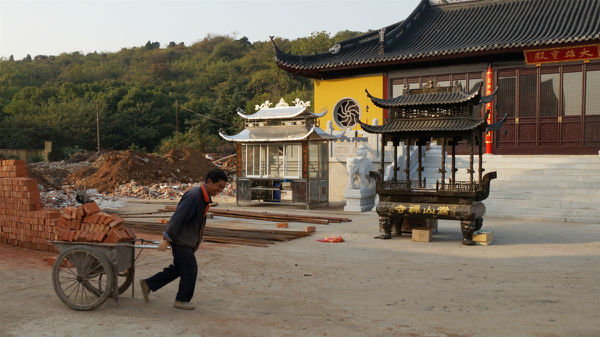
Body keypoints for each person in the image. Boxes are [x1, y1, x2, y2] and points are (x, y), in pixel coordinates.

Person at [140, 169, 228, 310]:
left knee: (179, 268)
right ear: (210, 182)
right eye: (219, 186)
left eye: (223, 188)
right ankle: (181, 300)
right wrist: (166, 238)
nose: (220, 190)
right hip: (181, 240)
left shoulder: (203, 197)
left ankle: (148, 284)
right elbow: (178, 218)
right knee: (190, 269)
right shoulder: (194, 197)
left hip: (187, 240)